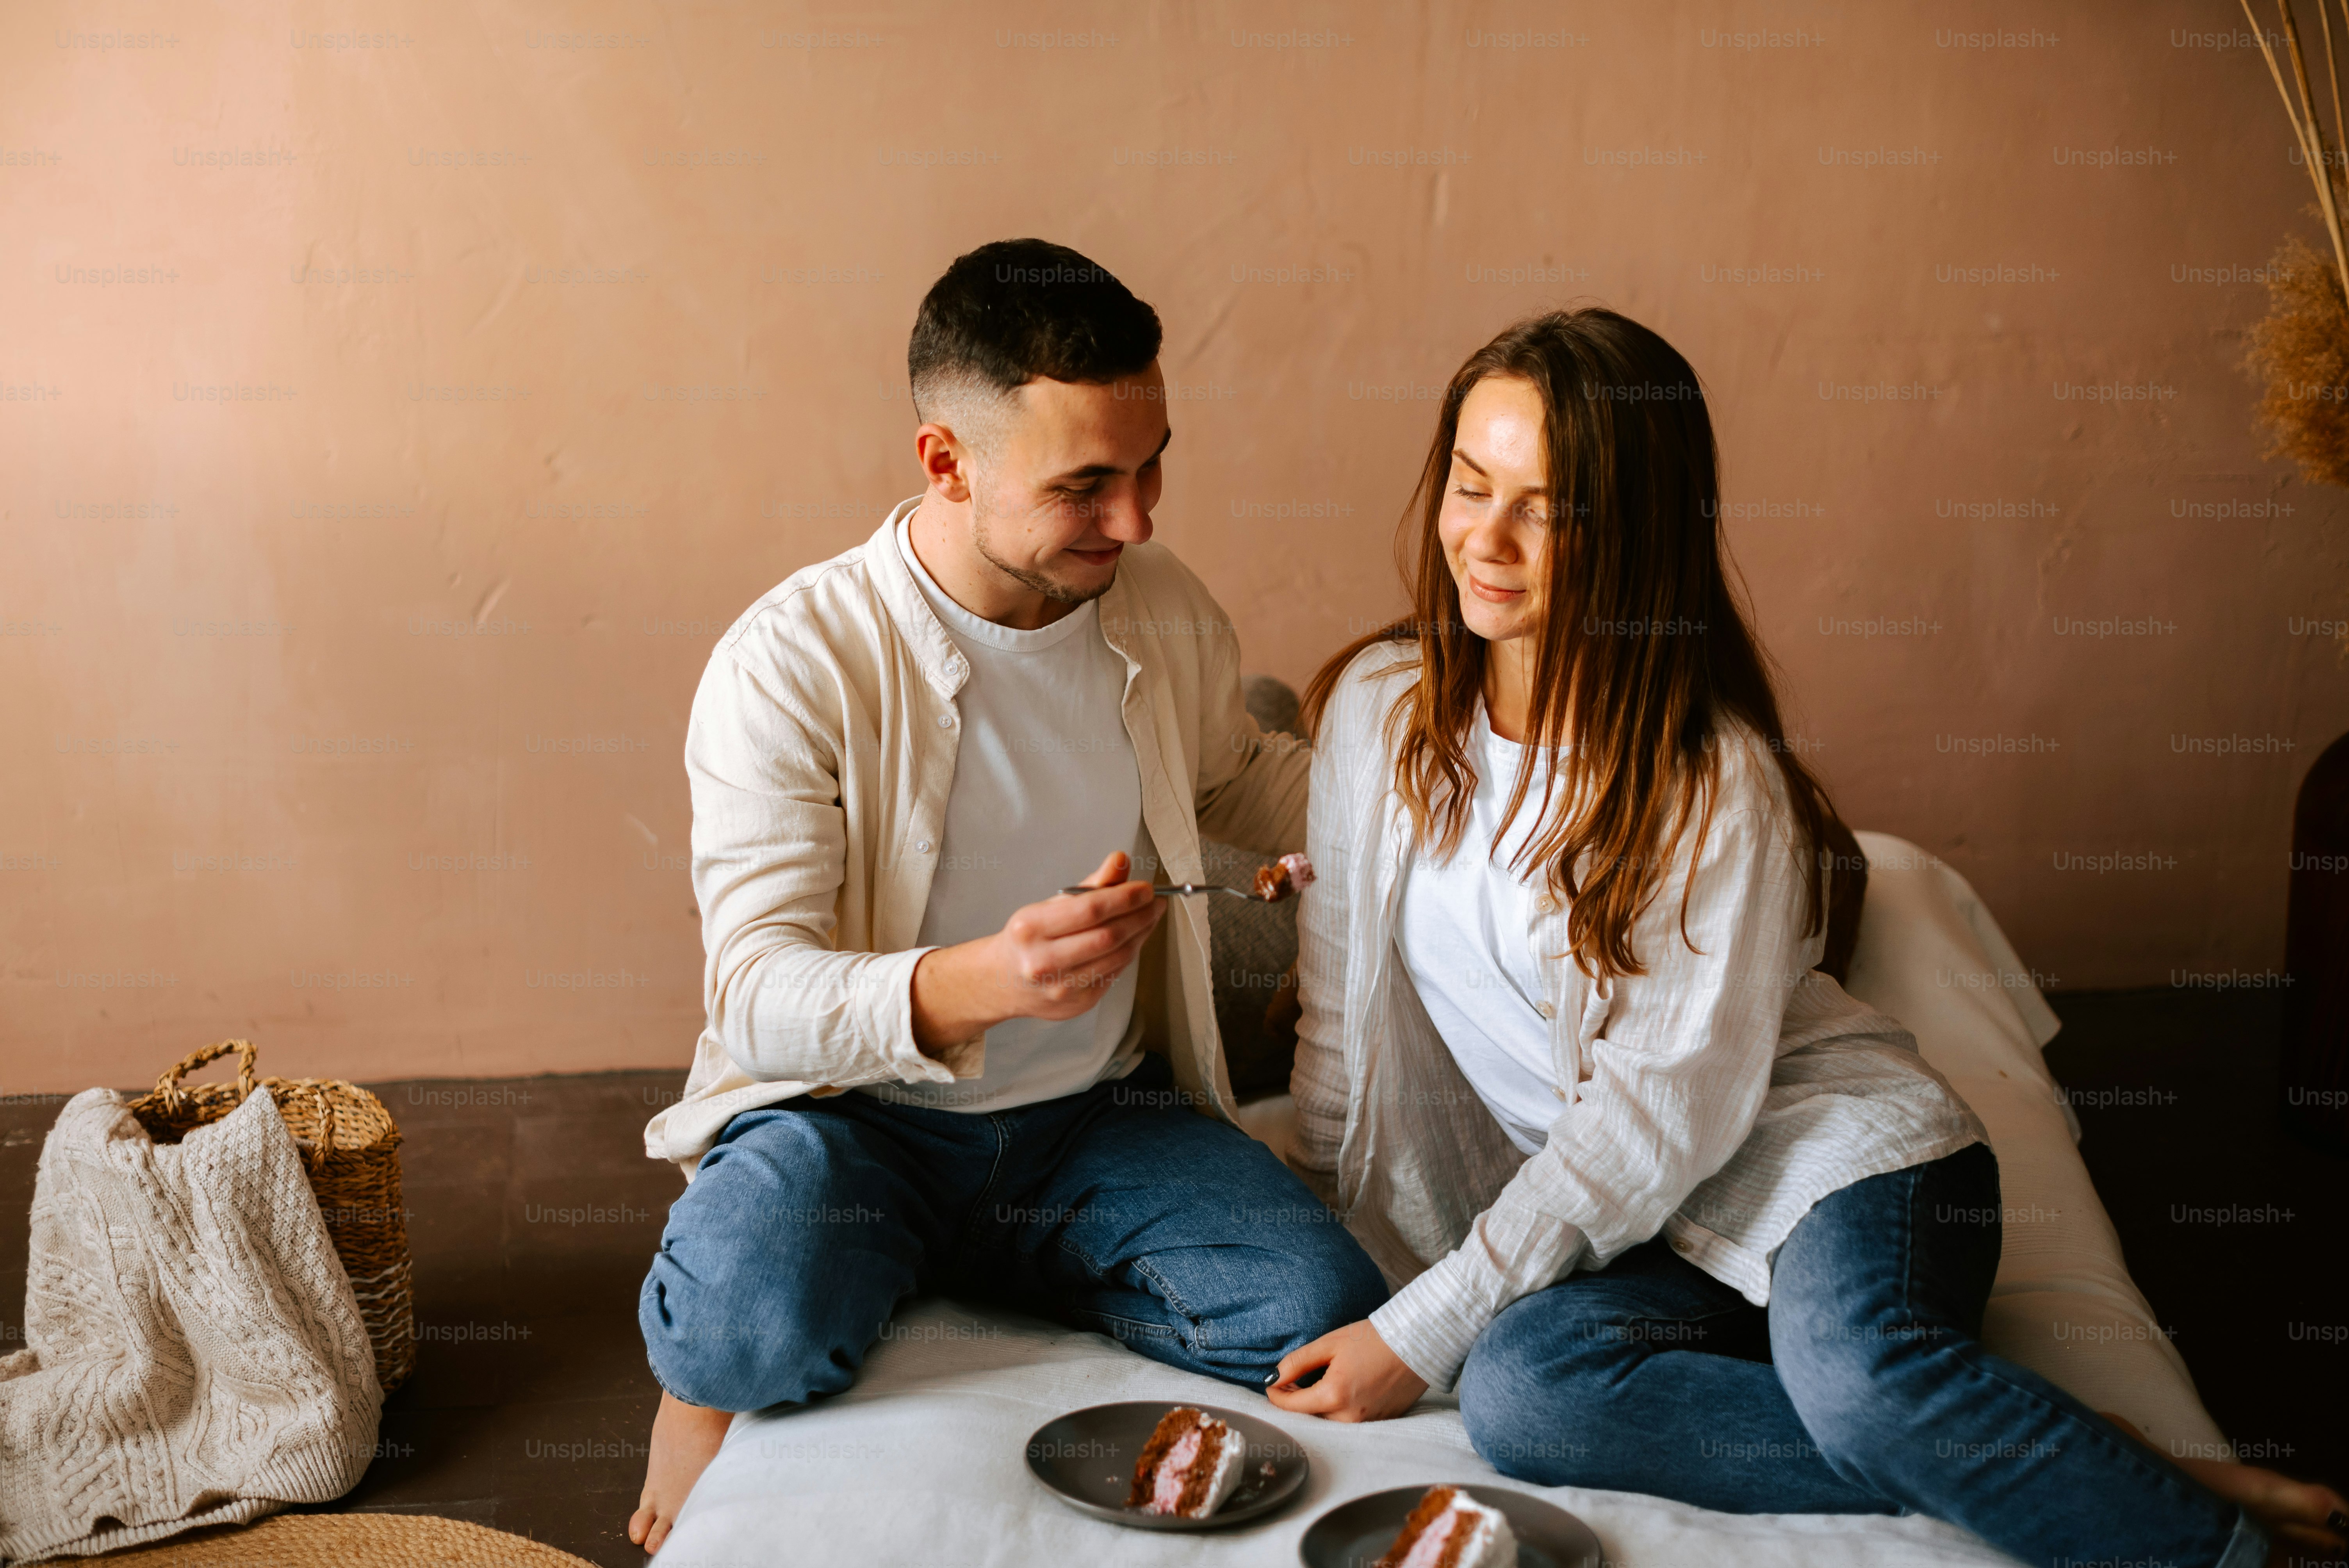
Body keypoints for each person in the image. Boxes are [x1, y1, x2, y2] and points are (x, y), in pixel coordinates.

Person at [1264, 308, 2349, 1568]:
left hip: (1837, 1169)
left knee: (1863, 1383)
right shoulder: (1379, 713)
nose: (1487, 541)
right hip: (1647, 1234)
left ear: (1639, 534)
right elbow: (1340, 1009)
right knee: (1523, 1393)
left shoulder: (1715, 785)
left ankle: (2200, 1541)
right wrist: (1345, 1245)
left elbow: (1651, 1122)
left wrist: (1420, 1331)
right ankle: (2045, 1445)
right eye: (1469, 485)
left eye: (1548, 511)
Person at [626, 239, 1387, 1552]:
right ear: (946, 463)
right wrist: (984, 982)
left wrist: (1447, 825)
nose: (1136, 522)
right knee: (740, 1327)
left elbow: (1242, 774)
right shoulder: (791, 663)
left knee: (1317, 1308)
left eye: (1151, 469)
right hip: (854, 1120)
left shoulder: (1158, 602)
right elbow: (755, 994)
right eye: (1085, 486)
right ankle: (778, 1335)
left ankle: (951, 1264)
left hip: (1092, 1122)